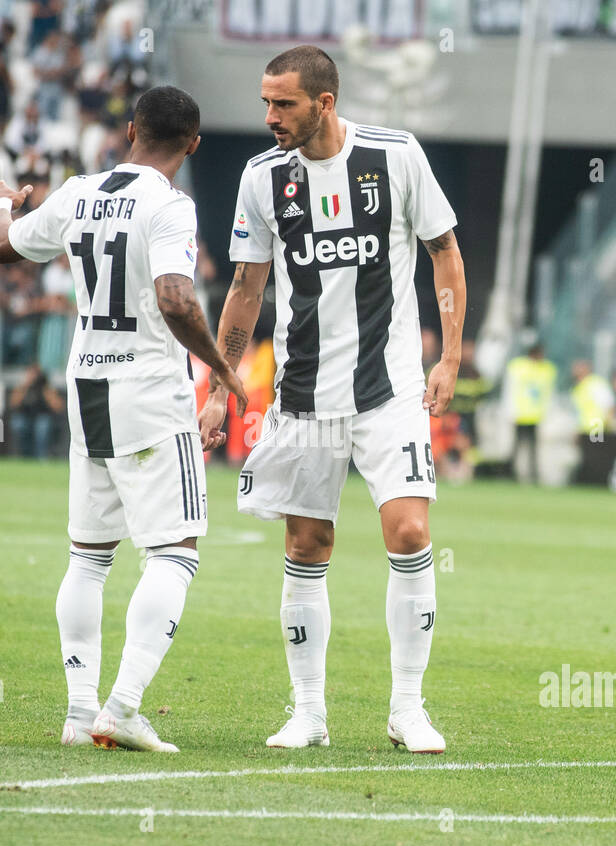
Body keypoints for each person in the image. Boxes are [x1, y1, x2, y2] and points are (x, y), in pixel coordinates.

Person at [198, 46, 466, 753]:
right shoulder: (262, 178)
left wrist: (451, 357)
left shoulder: (396, 156)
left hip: (390, 389)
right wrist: (223, 385)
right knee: (306, 543)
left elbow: (445, 251)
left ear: (324, 102)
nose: (269, 117)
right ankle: (308, 713)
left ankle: (408, 708)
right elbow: (247, 286)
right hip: (304, 393)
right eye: (265, 102)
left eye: (283, 104)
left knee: (409, 532)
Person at [0, 86, 247, 752]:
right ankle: (122, 707)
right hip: (150, 388)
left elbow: (4, 249)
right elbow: (174, 296)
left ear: (130, 130)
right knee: (176, 552)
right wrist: (220, 367)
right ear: (192, 145)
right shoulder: (170, 204)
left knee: (89, 556)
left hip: (88, 382)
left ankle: (79, 714)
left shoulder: (76, 192)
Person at [507, 342, 556, 483]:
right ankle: (512, 474)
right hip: (520, 415)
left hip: (535, 416)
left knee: (533, 449)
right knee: (517, 447)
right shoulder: (518, 366)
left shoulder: (547, 369)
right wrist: (510, 410)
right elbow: (511, 390)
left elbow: (548, 393)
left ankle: (533, 475)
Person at [9, 363, 65, 458]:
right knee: (18, 424)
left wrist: (46, 389)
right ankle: (23, 456)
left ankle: (41, 457)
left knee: (42, 426)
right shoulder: (22, 387)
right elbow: (13, 404)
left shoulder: (46, 388)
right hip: (25, 417)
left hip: (42, 418)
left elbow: (59, 407)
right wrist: (25, 385)